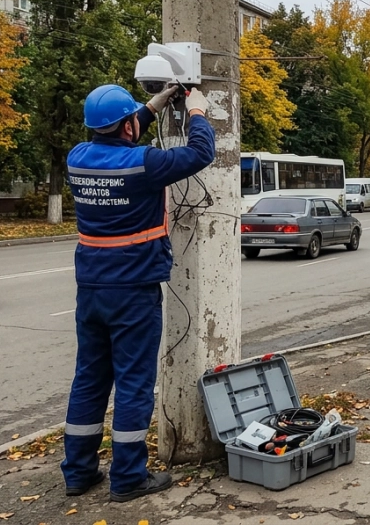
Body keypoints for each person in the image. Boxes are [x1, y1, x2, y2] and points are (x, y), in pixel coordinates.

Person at [61, 84, 216, 501]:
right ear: (127, 126)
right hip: (133, 289)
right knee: (133, 382)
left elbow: (118, 140)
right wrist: (197, 111)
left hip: (91, 289)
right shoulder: (145, 164)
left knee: (90, 378)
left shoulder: (78, 157)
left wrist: (149, 107)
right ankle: (128, 477)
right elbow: (200, 153)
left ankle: (78, 472)